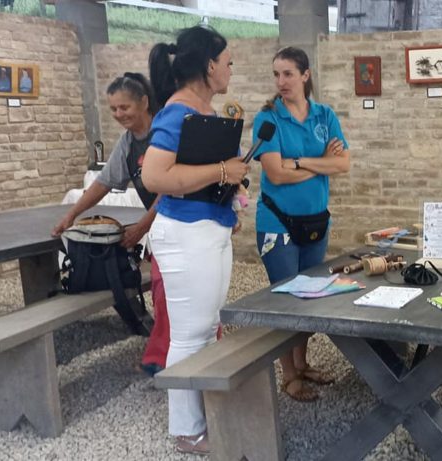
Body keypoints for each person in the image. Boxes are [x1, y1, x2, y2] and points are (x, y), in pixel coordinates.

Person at [140, 26, 248, 456]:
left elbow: (194, 173)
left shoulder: (201, 108)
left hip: (207, 227)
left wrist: (227, 193)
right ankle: (187, 430)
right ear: (209, 65)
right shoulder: (177, 112)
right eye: (227, 62)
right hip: (185, 233)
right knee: (189, 335)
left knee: (208, 327)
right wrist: (222, 172)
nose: (231, 69)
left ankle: (207, 414)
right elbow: (155, 176)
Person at [51, 72, 170, 377]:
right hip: (162, 231)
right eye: (114, 109)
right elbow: (103, 183)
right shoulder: (129, 142)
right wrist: (71, 215)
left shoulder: (164, 133)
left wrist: (142, 227)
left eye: (124, 107)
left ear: (144, 102)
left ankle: (166, 358)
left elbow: (170, 190)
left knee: (168, 292)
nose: (119, 114)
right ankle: (163, 357)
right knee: (162, 293)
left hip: (180, 224)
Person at [252, 46, 350, 402]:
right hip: (277, 222)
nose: (281, 81)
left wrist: (299, 162)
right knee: (286, 299)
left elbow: (343, 164)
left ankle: (302, 363)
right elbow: (275, 174)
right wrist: (320, 161)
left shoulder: (325, 115)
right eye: (276, 74)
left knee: (308, 297)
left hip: (315, 222)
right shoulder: (268, 119)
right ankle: (289, 375)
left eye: (288, 74)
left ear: (305, 75)